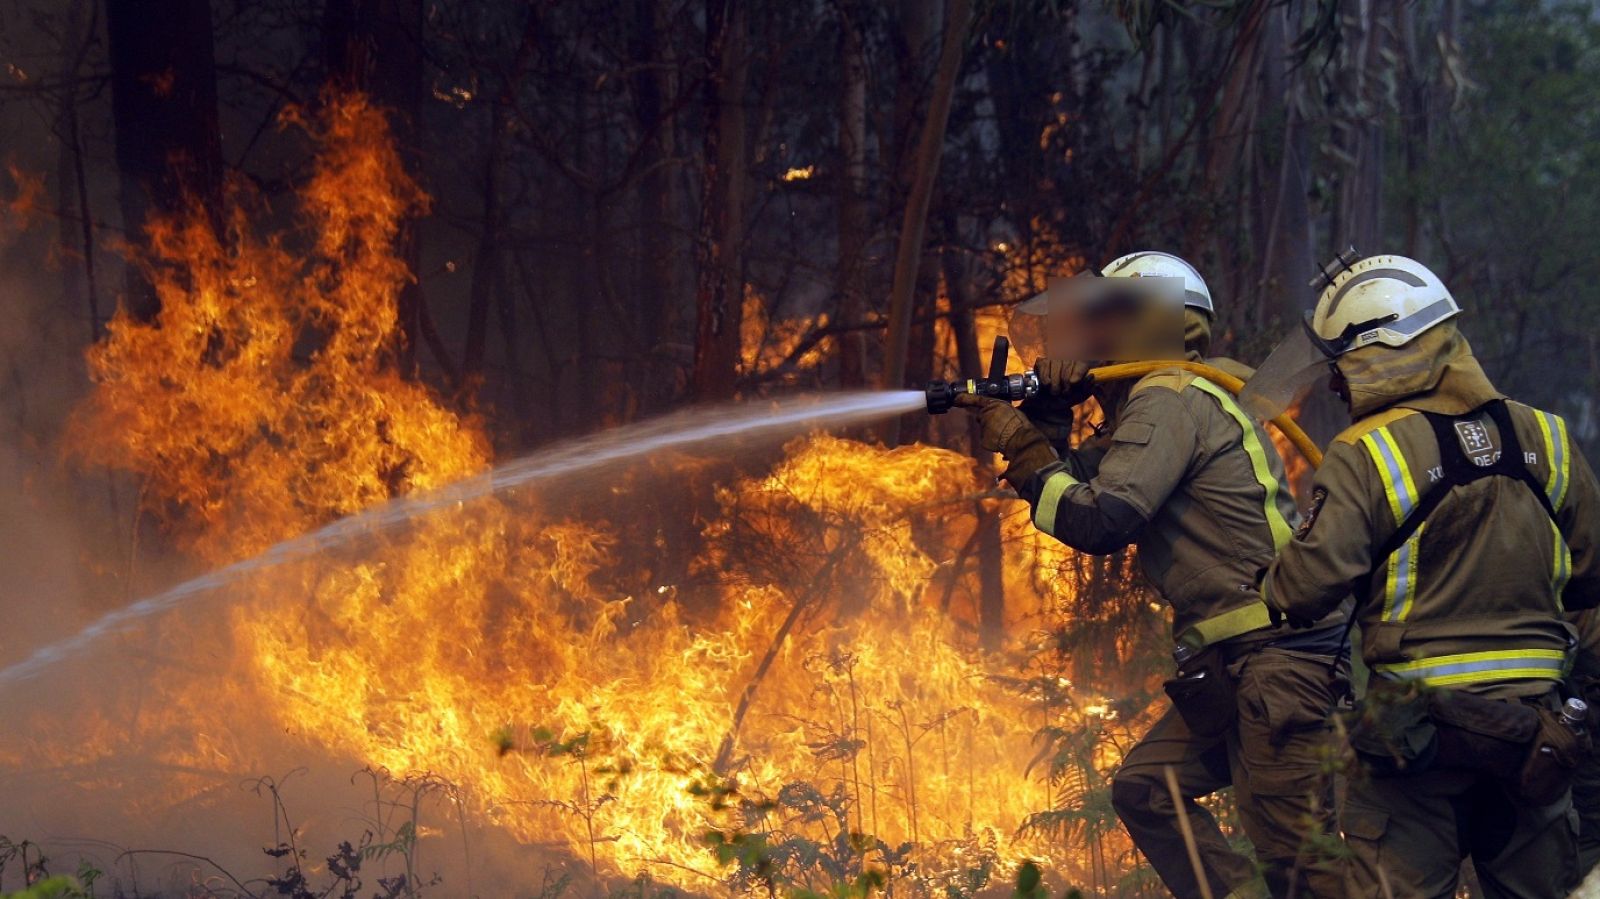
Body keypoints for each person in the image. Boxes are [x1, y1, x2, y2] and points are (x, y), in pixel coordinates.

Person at [960, 251, 1348, 899]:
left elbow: (1101, 518)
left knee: (1298, 862)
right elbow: (1077, 486)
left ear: (1184, 328)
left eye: (1124, 312)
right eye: (1099, 314)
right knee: (1148, 789)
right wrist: (1052, 419)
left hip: (1276, 656)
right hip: (1238, 658)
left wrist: (1026, 447)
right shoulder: (1158, 406)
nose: (1102, 330)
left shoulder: (1171, 397)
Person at [1256, 253, 1600, 898]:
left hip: (1415, 742)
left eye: (1342, 367)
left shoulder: (1367, 452)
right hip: (1535, 735)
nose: (1335, 386)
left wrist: (1271, 577)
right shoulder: (1550, 438)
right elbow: (1592, 584)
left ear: (1383, 353)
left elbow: (1302, 592)